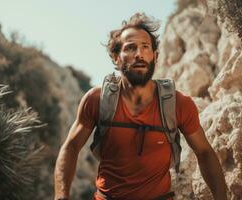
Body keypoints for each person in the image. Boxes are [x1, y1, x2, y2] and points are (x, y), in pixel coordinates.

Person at [54, 13, 227, 200]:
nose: (139, 54)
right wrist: (61, 196)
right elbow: (71, 147)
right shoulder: (97, 100)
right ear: (116, 57)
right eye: (130, 48)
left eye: (145, 47)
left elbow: (204, 152)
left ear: (155, 55)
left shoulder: (177, 104)